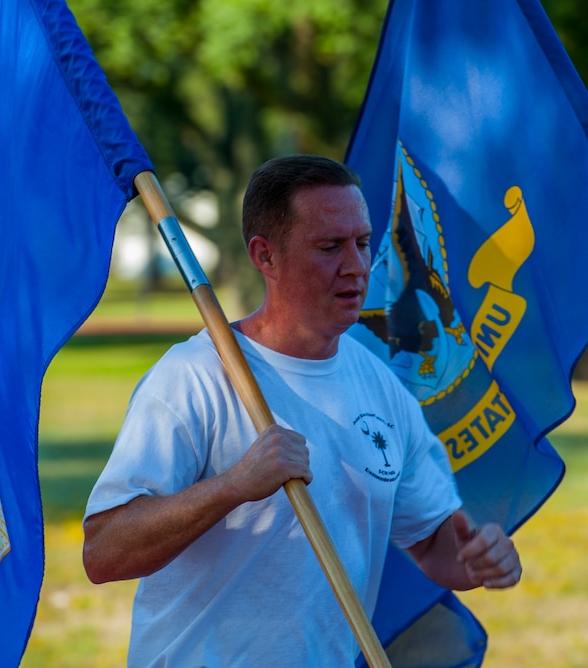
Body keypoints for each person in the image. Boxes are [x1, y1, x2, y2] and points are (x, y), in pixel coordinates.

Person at [82, 155, 521, 667]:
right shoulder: (193, 377)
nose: (356, 265)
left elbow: (435, 546)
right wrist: (234, 485)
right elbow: (104, 552)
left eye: (362, 242)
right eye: (330, 247)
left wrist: (481, 559)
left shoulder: (380, 386)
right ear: (265, 257)